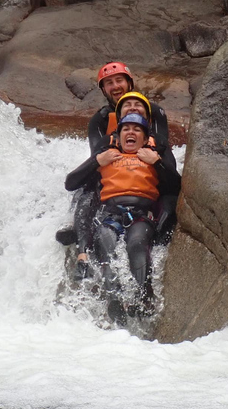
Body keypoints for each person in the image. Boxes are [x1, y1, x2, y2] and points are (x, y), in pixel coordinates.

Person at [56, 62, 176, 279]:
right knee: (88, 184)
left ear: (129, 82)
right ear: (103, 90)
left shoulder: (153, 111)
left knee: (170, 192)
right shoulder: (101, 119)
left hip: (146, 163)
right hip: (112, 164)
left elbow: (162, 145)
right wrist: (111, 154)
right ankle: (76, 229)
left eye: (119, 80)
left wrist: (145, 153)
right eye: (109, 83)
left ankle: (160, 233)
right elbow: (97, 158)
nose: (115, 86)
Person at [64, 113, 181, 325]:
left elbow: (177, 187)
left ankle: (144, 297)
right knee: (103, 239)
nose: (131, 132)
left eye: (137, 130)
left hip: (141, 215)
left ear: (145, 140)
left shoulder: (152, 159)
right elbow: (70, 183)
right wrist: (97, 160)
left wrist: (158, 162)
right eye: (126, 129)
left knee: (136, 244)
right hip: (112, 214)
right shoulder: (108, 157)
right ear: (118, 137)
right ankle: (114, 297)